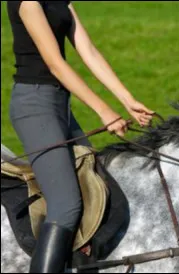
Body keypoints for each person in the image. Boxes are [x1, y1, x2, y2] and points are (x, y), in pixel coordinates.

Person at [6, 1, 154, 272]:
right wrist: (103, 110)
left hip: (60, 105)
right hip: (34, 106)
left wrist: (127, 100)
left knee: (94, 187)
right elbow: (55, 65)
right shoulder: (28, 3)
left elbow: (89, 52)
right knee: (66, 205)